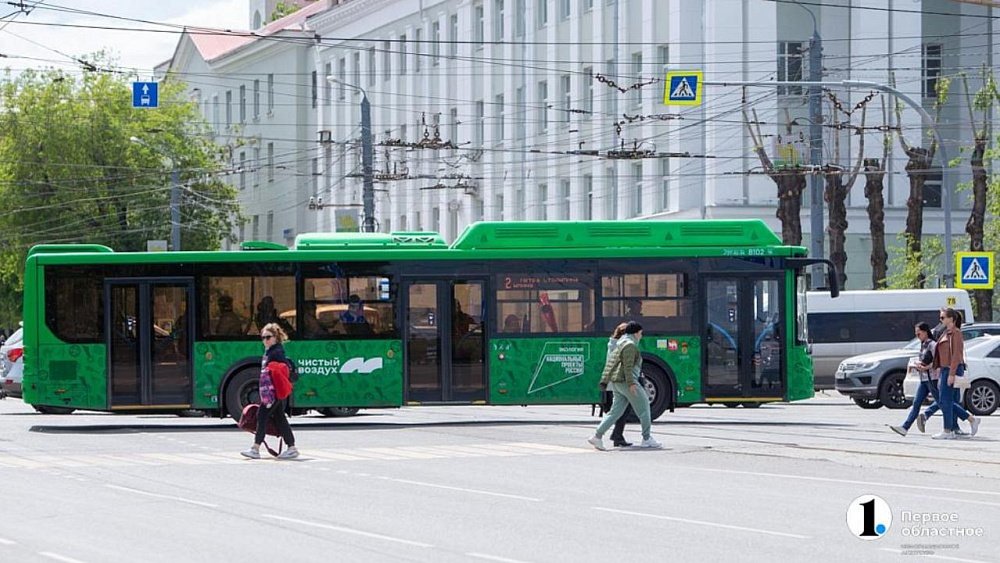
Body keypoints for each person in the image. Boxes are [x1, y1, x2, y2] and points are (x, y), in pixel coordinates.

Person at [587, 322, 662, 450]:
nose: (641, 336)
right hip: (627, 382)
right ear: (636, 333)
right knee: (644, 408)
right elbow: (628, 367)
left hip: (617, 382)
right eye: (640, 333)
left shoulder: (620, 342)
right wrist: (632, 383)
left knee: (615, 412)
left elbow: (612, 363)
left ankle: (597, 436)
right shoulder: (630, 345)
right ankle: (646, 438)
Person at [241, 323, 299, 459]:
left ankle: (255, 448)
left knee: (261, 415)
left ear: (276, 337)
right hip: (273, 392)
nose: (265, 340)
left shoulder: (276, 352)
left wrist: (270, 394)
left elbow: (282, 369)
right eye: (262, 338)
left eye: (268, 337)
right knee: (279, 417)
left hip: (272, 392)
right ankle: (292, 447)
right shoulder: (271, 351)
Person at [932, 308, 981, 440]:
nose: (940, 320)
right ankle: (968, 420)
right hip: (945, 369)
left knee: (944, 400)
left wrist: (951, 374)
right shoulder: (946, 333)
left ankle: (948, 430)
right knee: (946, 400)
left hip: (951, 369)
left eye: (942, 318)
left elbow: (956, 355)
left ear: (951, 319)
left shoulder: (956, 333)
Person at [889, 322, 940, 436]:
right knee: (916, 403)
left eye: (919, 333)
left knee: (943, 402)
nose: (917, 335)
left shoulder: (932, 344)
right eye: (916, 333)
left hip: (932, 378)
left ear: (926, 332)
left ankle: (967, 417)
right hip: (923, 378)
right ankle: (905, 427)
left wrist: (926, 367)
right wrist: (918, 365)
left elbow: (938, 361)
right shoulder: (923, 344)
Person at [600, 323, 637, 447]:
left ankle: (617, 435)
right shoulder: (621, 345)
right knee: (620, 410)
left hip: (615, 382)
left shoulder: (613, 343)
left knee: (620, 410)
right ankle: (602, 434)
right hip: (619, 381)